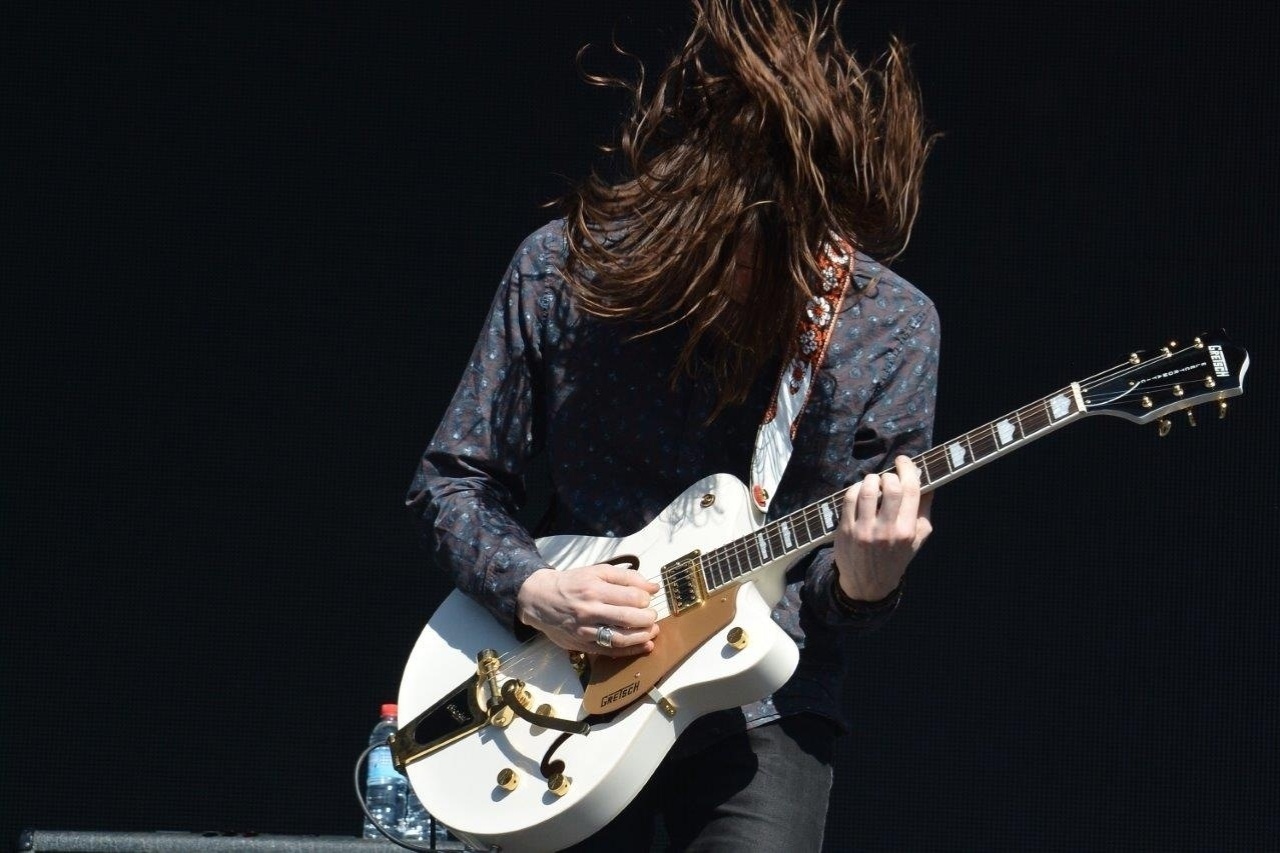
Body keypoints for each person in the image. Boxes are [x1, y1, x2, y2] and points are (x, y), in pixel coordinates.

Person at [407, 1, 939, 849]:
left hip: (760, 703)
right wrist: (533, 589)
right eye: (732, 256)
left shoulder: (889, 327)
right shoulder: (563, 271)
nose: (751, 285)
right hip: (558, 682)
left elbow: (833, 601)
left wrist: (862, 585)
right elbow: (454, 481)